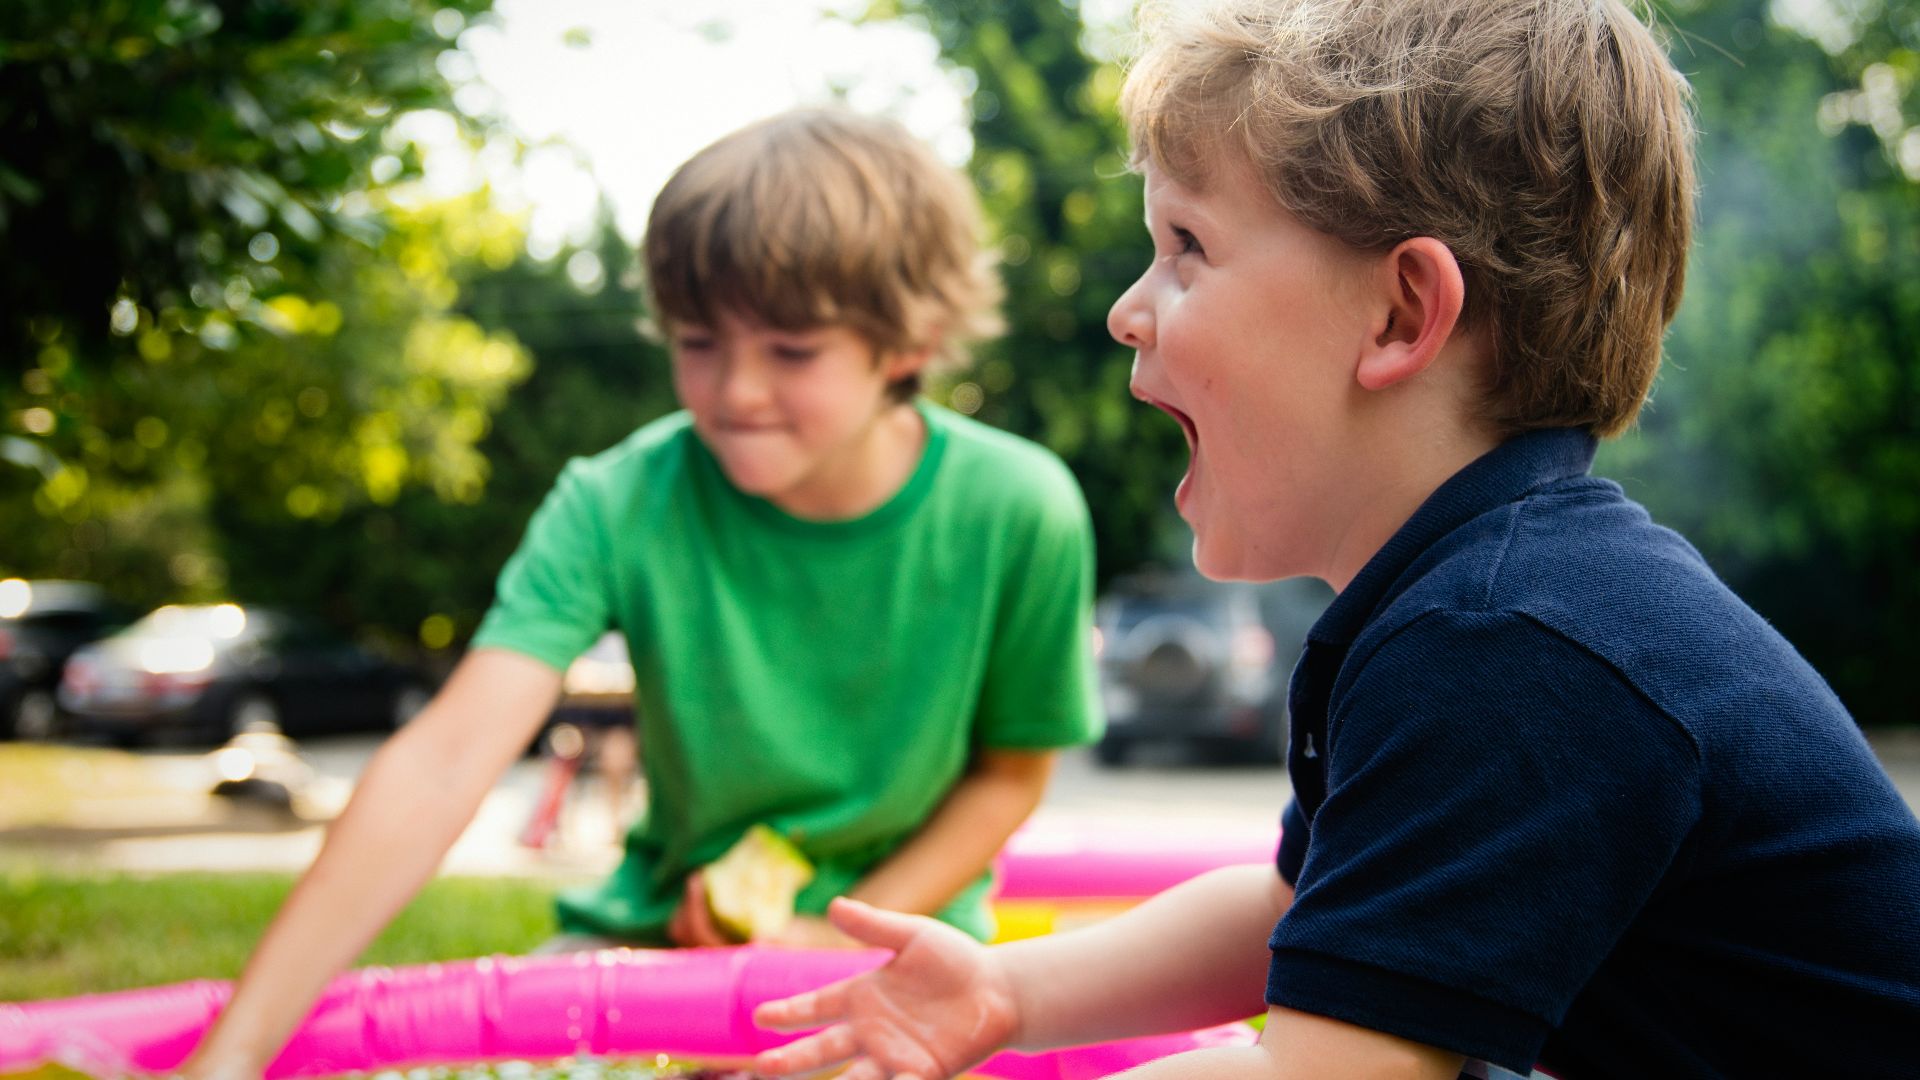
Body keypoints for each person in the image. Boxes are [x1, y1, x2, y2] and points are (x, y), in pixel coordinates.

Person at [748, 2, 1920, 1078]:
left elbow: (1312, 1072)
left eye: (1187, 246)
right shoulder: (1481, 599)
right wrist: (1006, 991)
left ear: (1403, 313)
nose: (1127, 307)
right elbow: (1291, 911)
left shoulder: (1511, 645)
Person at [179, 107, 1102, 1077]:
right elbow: (446, 761)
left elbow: (1010, 773)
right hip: (660, 937)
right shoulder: (616, 499)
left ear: (910, 342)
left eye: (791, 351)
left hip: (905, 946)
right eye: (698, 342)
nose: (735, 391)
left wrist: (832, 934)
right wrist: (232, 1056)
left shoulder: (1019, 507)